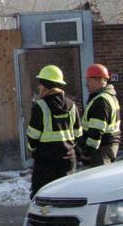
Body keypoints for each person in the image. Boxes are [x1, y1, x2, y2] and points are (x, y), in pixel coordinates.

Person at [26, 65, 82, 199]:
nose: (38, 88)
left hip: (45, 162)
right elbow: (78, 133)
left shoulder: (40, 106)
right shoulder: (71, 105)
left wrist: (32, 149)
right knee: (67, 196)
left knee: (42, 197)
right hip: (67, 160)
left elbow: (33, 137)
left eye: (40, 84)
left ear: (46, 86)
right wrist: (74, 150)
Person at [78, 63, 121, 167]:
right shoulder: (109, 97)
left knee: (99, 180)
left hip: (100, 150)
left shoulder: (101, 101)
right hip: (108, 147)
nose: (86, 84)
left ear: (101, 80)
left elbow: (96, 132)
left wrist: (87, 153)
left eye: (89, 81)